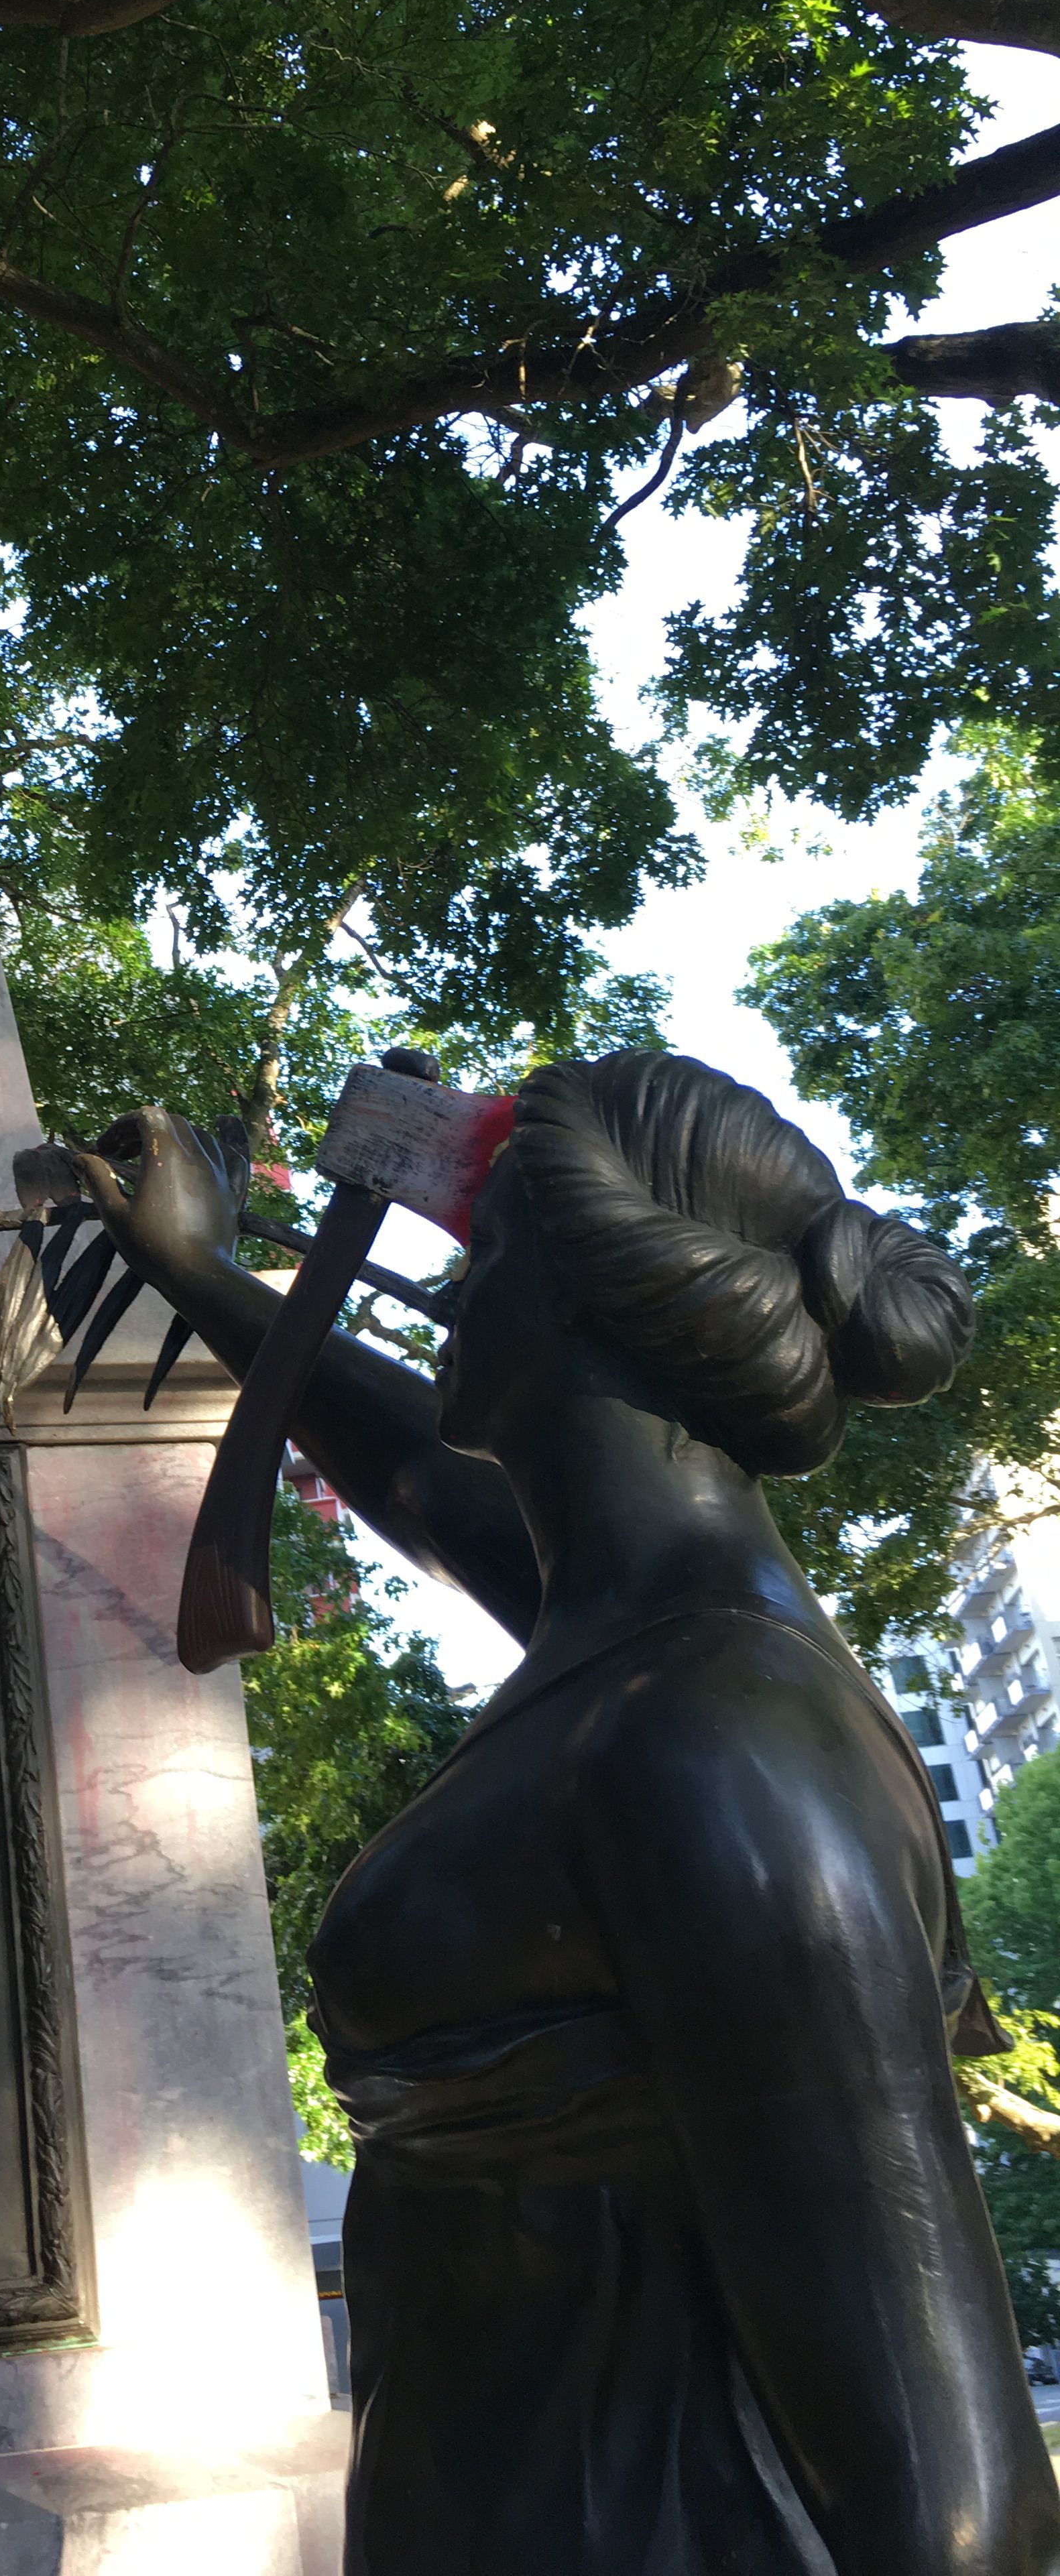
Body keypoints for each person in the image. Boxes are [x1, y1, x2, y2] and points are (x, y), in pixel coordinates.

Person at [76, 1057, 1060, 2576]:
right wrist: (195, 1269)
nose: (457, 1283)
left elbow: (959, 2512)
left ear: (604, 1287)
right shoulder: (633, 1658)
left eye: (493, 1244)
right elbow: (417, 1478)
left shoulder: (716, 1756)